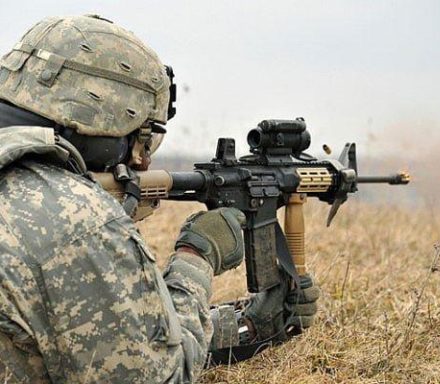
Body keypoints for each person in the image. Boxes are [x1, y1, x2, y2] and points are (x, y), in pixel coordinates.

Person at [0, 15, 320, 383]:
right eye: (145, 136)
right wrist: (197, 257)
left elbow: (105, 342)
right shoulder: (75, 218)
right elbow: (155, 376)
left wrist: (248, 325)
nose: (143, 160)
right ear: (105, 120)